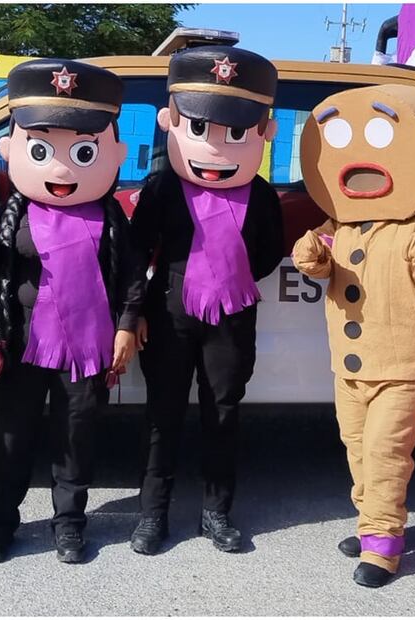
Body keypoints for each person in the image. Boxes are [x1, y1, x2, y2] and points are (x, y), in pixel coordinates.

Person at [0, 59, 143, 564]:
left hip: (86, 349)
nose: (62, 169)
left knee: (75, 437)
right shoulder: (13, 213)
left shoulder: (111, 217)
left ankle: (69, 525)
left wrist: (126, 326)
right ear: (12, 150)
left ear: (113, 154)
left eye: (83, 151)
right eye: (42, 149)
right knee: (12, 437)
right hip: (24, 342)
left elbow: (132, 276)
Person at [292, 84, 415, 587]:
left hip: (404, 363)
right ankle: (372, 522)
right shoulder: (341, 223)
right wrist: (311, 256)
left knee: (387, 450)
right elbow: (320, 260)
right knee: (357, 446)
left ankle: (383, 542)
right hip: (351, 363)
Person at [128, 46, 284, 555]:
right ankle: (153, 514)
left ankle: (216, 512)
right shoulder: (162, 188)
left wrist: (227, 278)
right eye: (201, 128)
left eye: (235, 132)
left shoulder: (262, 195)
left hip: (232, 315)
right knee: (163, 414)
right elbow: (136, 251)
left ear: (262, 132)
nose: (217, 145)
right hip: (168, 310)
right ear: (172, 123)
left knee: (223, 412)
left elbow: (269, 253)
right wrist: (135, 312)